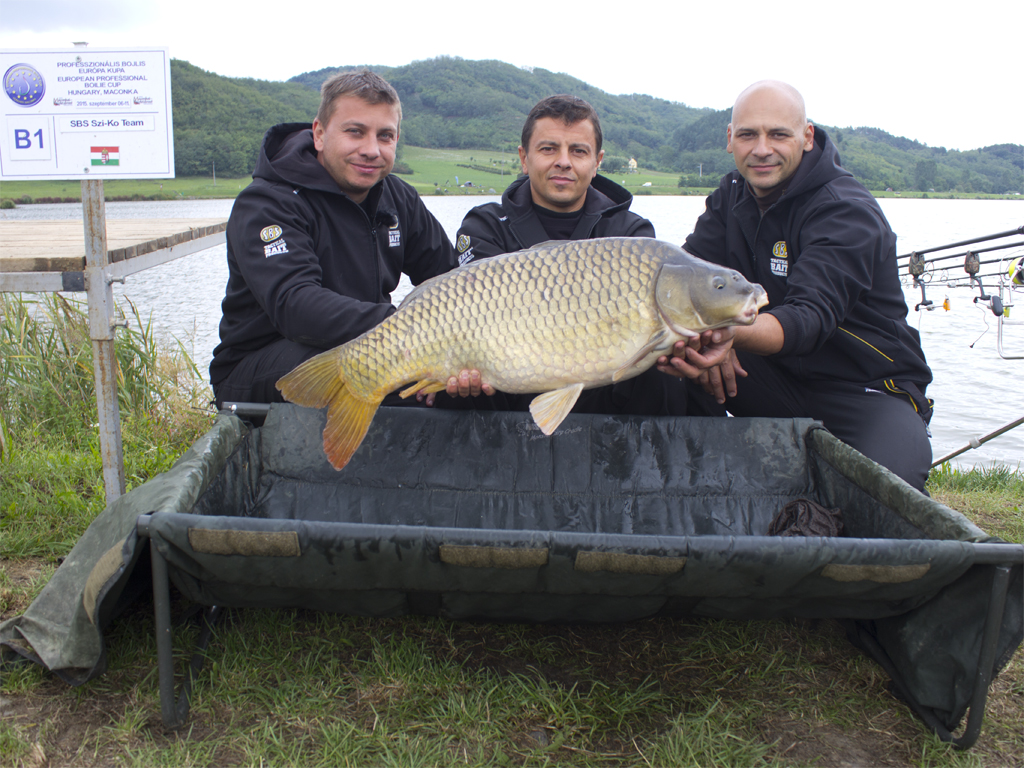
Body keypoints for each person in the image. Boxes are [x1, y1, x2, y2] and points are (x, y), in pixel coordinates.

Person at [656, 80, 933, 490]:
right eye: (749, 134)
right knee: (673, 362)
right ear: (730, 139)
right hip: (767, 377)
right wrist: (708, 343)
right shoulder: (729, 197)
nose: (762, 148)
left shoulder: (844, 208)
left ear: (806, 137)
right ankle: (695, 488)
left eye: (778, 134)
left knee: (888, 486)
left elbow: (809, 318)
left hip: (864, 387)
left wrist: (728, 334)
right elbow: (684, 285)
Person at [209, 70, 457, 407]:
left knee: (468, 385)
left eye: (385, 136)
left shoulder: (398, 197)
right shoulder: (267, 203)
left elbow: (449, 276)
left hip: (370, 345)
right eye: (355, 132)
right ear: (320, 134)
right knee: (378, 373)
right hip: (262, 362)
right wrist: (411, 328)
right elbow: (296, 306)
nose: (372, 150)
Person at [434, 94, 685, 415]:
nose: (563, 161)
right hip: (507, 379)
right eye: (548, 149)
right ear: (524, 158)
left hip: (601, 390)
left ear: (597, 162)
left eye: (578, 151)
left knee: (662, 362)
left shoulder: (630, 234)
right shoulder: (485, 225)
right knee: (461, 380)